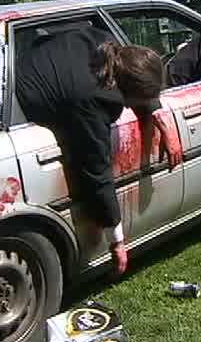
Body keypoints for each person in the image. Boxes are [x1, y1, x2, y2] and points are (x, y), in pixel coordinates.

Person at [15, 25, 182, 276]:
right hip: (19, 105)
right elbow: (97, 172)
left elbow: (138, 77)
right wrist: (116, 240)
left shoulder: (107, 44)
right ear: (128, 95)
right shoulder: (93, 100)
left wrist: (160, 118)